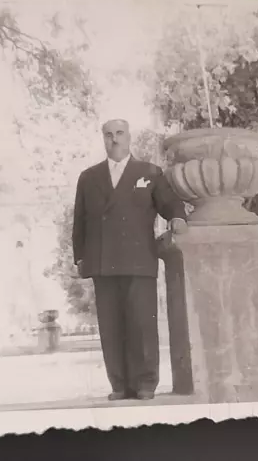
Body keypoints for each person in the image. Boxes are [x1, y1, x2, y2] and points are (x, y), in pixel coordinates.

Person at [72, 119, 188, 401]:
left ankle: (146, 383)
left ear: (129, 137)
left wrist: (177, 217)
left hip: (139, 259)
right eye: (109, 134)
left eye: (119, 133)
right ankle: (120, 385)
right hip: (102, 260)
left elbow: (169, 202)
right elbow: (79, 222)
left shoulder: (149, 172)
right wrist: (80, 257)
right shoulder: (89, 177)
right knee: (111, 327)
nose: (114, 139)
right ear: (103, 139)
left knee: (142, 324)